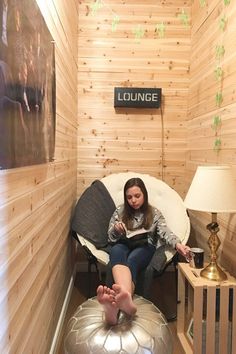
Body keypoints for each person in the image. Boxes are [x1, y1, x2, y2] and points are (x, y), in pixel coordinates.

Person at [97, 177, 190, 325]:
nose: (133, 200)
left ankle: (123, 297)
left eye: (137, 196)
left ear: (144, 195)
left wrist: (178, 245)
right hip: (124, 243)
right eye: (129, 197)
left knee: (132, 260)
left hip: (145, 246)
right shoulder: (120, 211)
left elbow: (166, 232)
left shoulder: (154, 213)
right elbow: (110, 237)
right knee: (116, 252)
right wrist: (116, 230)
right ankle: (125, 300)